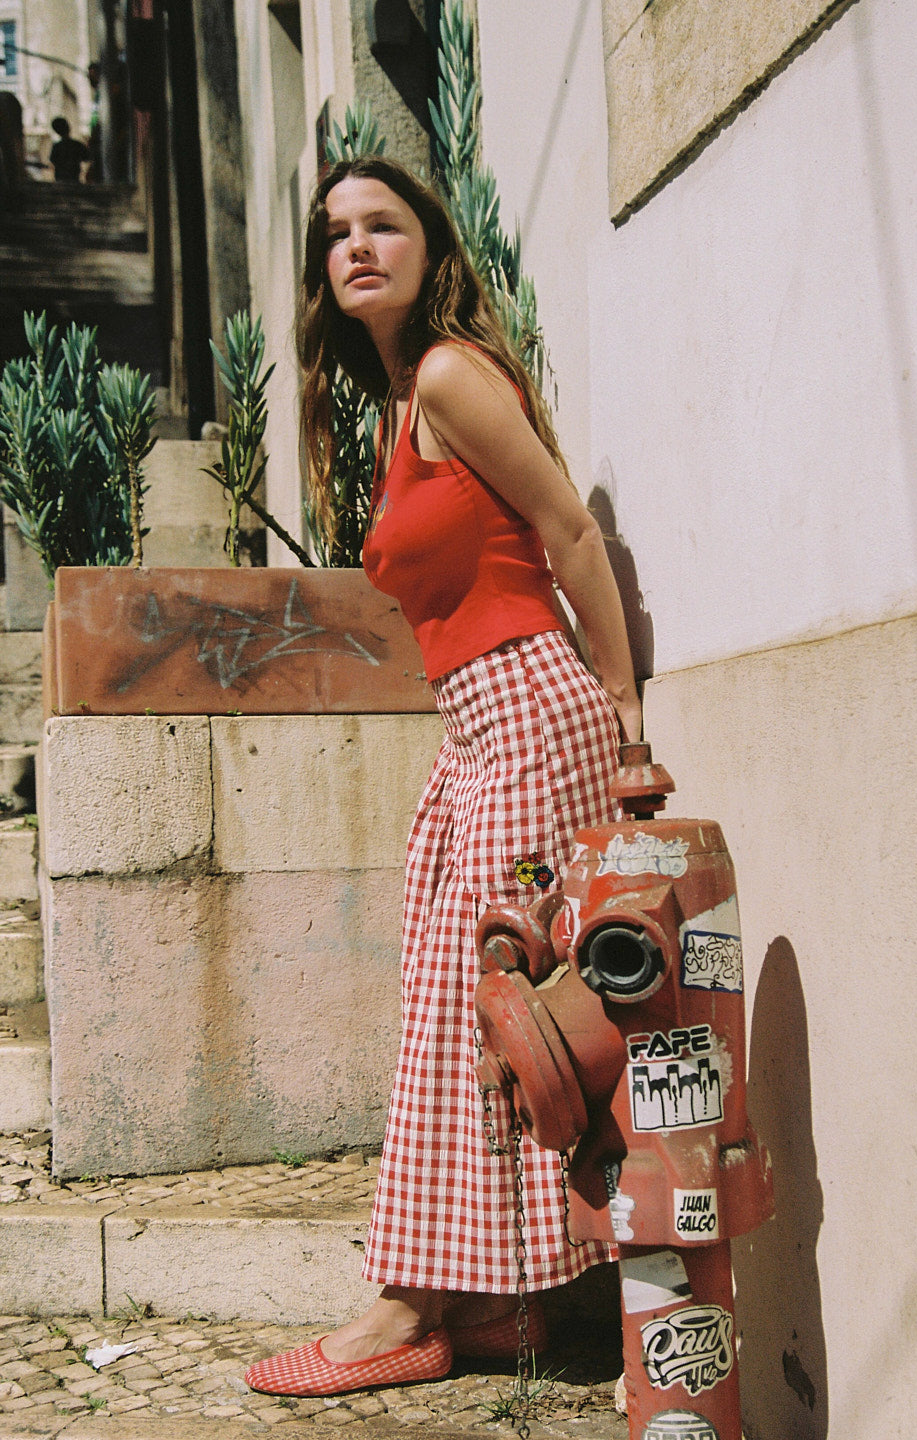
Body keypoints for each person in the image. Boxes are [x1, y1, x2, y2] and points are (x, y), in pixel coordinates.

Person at [244, 156, 641, 1398]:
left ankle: (407, 1308)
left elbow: (570, 532)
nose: (357, 247)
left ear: (430, 248)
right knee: (449, 1002)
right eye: (336, 235)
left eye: (384, 226)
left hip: (530, 708)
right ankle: (484, 1293)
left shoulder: (453, 376)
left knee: (500, 1005)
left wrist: (626, 717)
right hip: (476, 728)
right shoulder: (396, 404)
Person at [49, 117, 88, 185]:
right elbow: (87, 157)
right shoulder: (77, 145)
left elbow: (53, 160)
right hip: (74, 178)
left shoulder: (57, 147)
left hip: (60, 179)